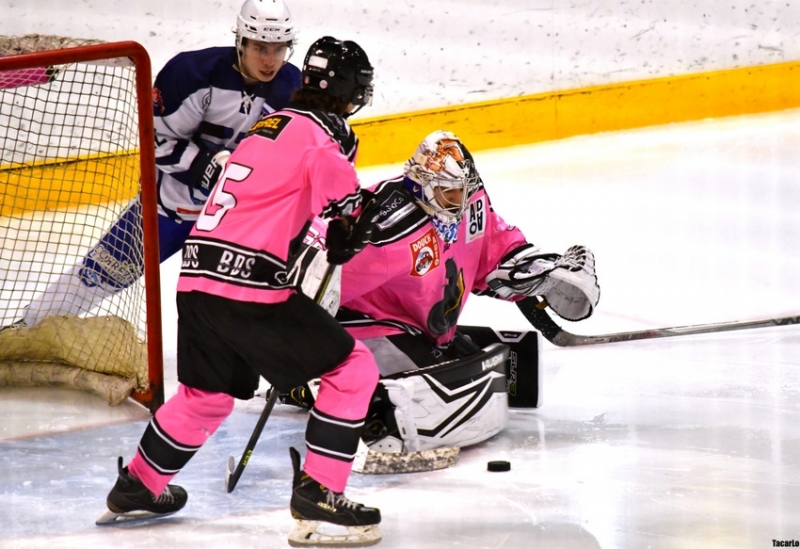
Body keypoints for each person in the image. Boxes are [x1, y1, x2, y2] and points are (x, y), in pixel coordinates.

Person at [95, 36, 384, 547]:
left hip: (197, 279)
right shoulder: (330, 133)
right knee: (352, 368)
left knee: (205, 398)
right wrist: (347, 231)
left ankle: (138, 485)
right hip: (248, 287)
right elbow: (346, 209)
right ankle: (319, 495)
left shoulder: (263, 128)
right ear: (349, 93)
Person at [284, 130, 601, 455]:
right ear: (422, 184)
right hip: (368, 325)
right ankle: (310, 384)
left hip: (421, 329)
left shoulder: (470, 201)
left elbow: (493, 247)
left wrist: (540, 271)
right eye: (449, 194)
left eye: (462, 192)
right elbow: (314, 281)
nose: (459, 204)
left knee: (474, 368)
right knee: (436, 398)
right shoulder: (385, 231)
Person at [4, 0, 302, 330]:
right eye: (260, 47)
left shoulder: (291, 87)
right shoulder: (191, 74)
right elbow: (155, 141)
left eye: (279, 48)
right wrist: (203, 166)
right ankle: (27, 329)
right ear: (241, 41)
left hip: (235, 221)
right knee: (99, 275)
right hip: (168, 210)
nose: (270, 59)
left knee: (252, 295)